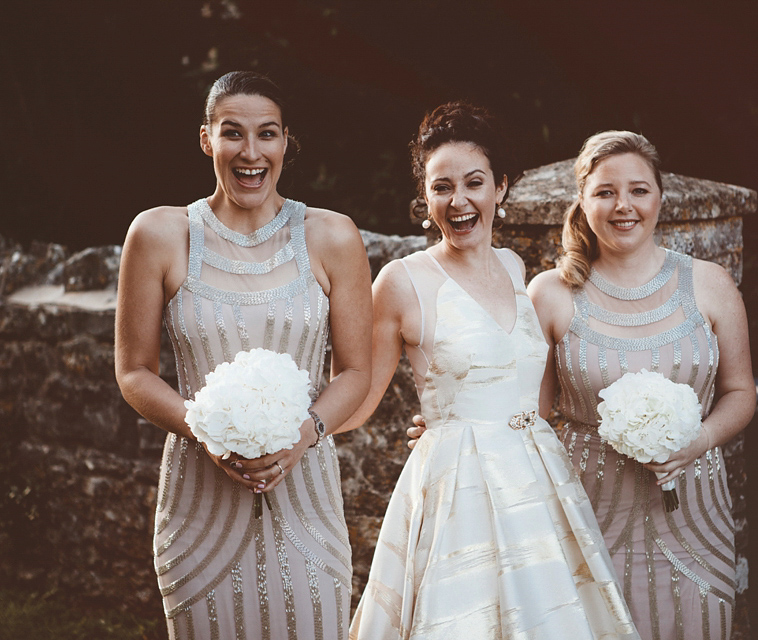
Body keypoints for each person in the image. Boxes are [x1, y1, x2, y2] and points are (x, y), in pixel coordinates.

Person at [340, 102, 638, 639]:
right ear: (425, 197)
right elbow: (358, 392)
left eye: (474, 182)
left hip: (536, 478)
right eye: (441, 187)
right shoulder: (401, 282)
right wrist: (292, 436)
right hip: (459, 489)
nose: (458, 201)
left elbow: (520, 386)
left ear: (500, 188)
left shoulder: (513, 266)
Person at [115, 71, 372, 640]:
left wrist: (301, 436)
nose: (250, 153)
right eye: (232, 133)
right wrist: (206, 430)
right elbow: (133, 372)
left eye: (268, 134)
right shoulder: (159, 234)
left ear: (286, 142)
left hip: (306, 493)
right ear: (206, 139)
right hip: (197, 498)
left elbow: (356, 371)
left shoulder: (332, 236)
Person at [527, 131, 756, 639]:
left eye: (638, 190)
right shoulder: (550, 293)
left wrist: (699, 440)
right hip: (588, 509)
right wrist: (448, 428)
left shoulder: (711, 283)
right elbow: (530, 416)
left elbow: (741, 393)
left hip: (695, 510)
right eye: (605, 191)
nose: (623, 206)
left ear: (659, 197)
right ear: (582, 202)